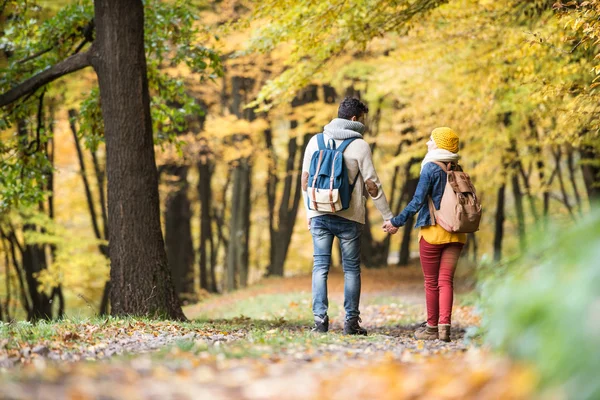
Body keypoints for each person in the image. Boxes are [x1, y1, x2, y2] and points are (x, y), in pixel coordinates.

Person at [302, 97, 396, 335]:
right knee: (351, 270)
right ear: (354, 119)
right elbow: (372, 185)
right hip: (350, 217)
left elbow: (305, 181)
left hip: (320, 214)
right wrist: (388, 216)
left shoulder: (315, 141)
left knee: (320, 267)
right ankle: (351, 324)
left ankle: (319, 322)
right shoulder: (360, 146)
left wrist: (309, 212)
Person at [382, 127, 466, 342]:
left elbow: (417, 201)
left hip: (432, 232)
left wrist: (395, 222)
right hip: (456, 234)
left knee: (431, 282)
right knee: (446, 280)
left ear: (439, 144)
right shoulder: (457, 167)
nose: (428, 143)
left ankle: (431, 328)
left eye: (431, 140)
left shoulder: (430, 167)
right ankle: (445, 328)